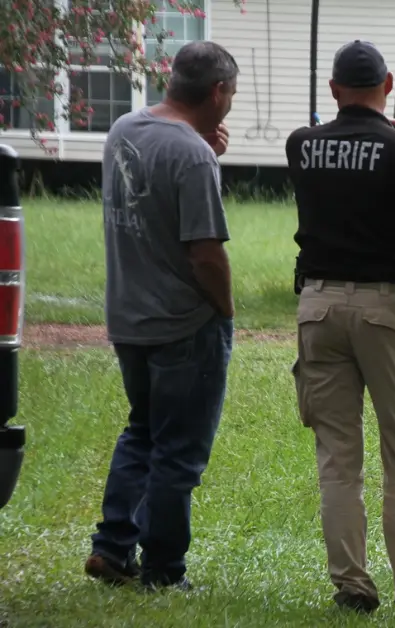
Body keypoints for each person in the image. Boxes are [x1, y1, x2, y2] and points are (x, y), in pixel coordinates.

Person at [284, 40, 395, 615]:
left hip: (318, 308)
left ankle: (352, 587)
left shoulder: (300, 146)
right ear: (388, 83)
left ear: (332, 89)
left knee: (338, 458)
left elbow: (341, 159)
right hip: (386, 311)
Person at [86, 40, 239, 591]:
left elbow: (151, 191)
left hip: (128, 316)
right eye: (232, 95)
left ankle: (112, 547)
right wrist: (224, 310)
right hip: (182, 323)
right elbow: (204, 252)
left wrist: (200, 148)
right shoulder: (193, 156)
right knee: (178, 454)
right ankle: (163, 571)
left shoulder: (124, 128)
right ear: (218, 92)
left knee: (143, 430)